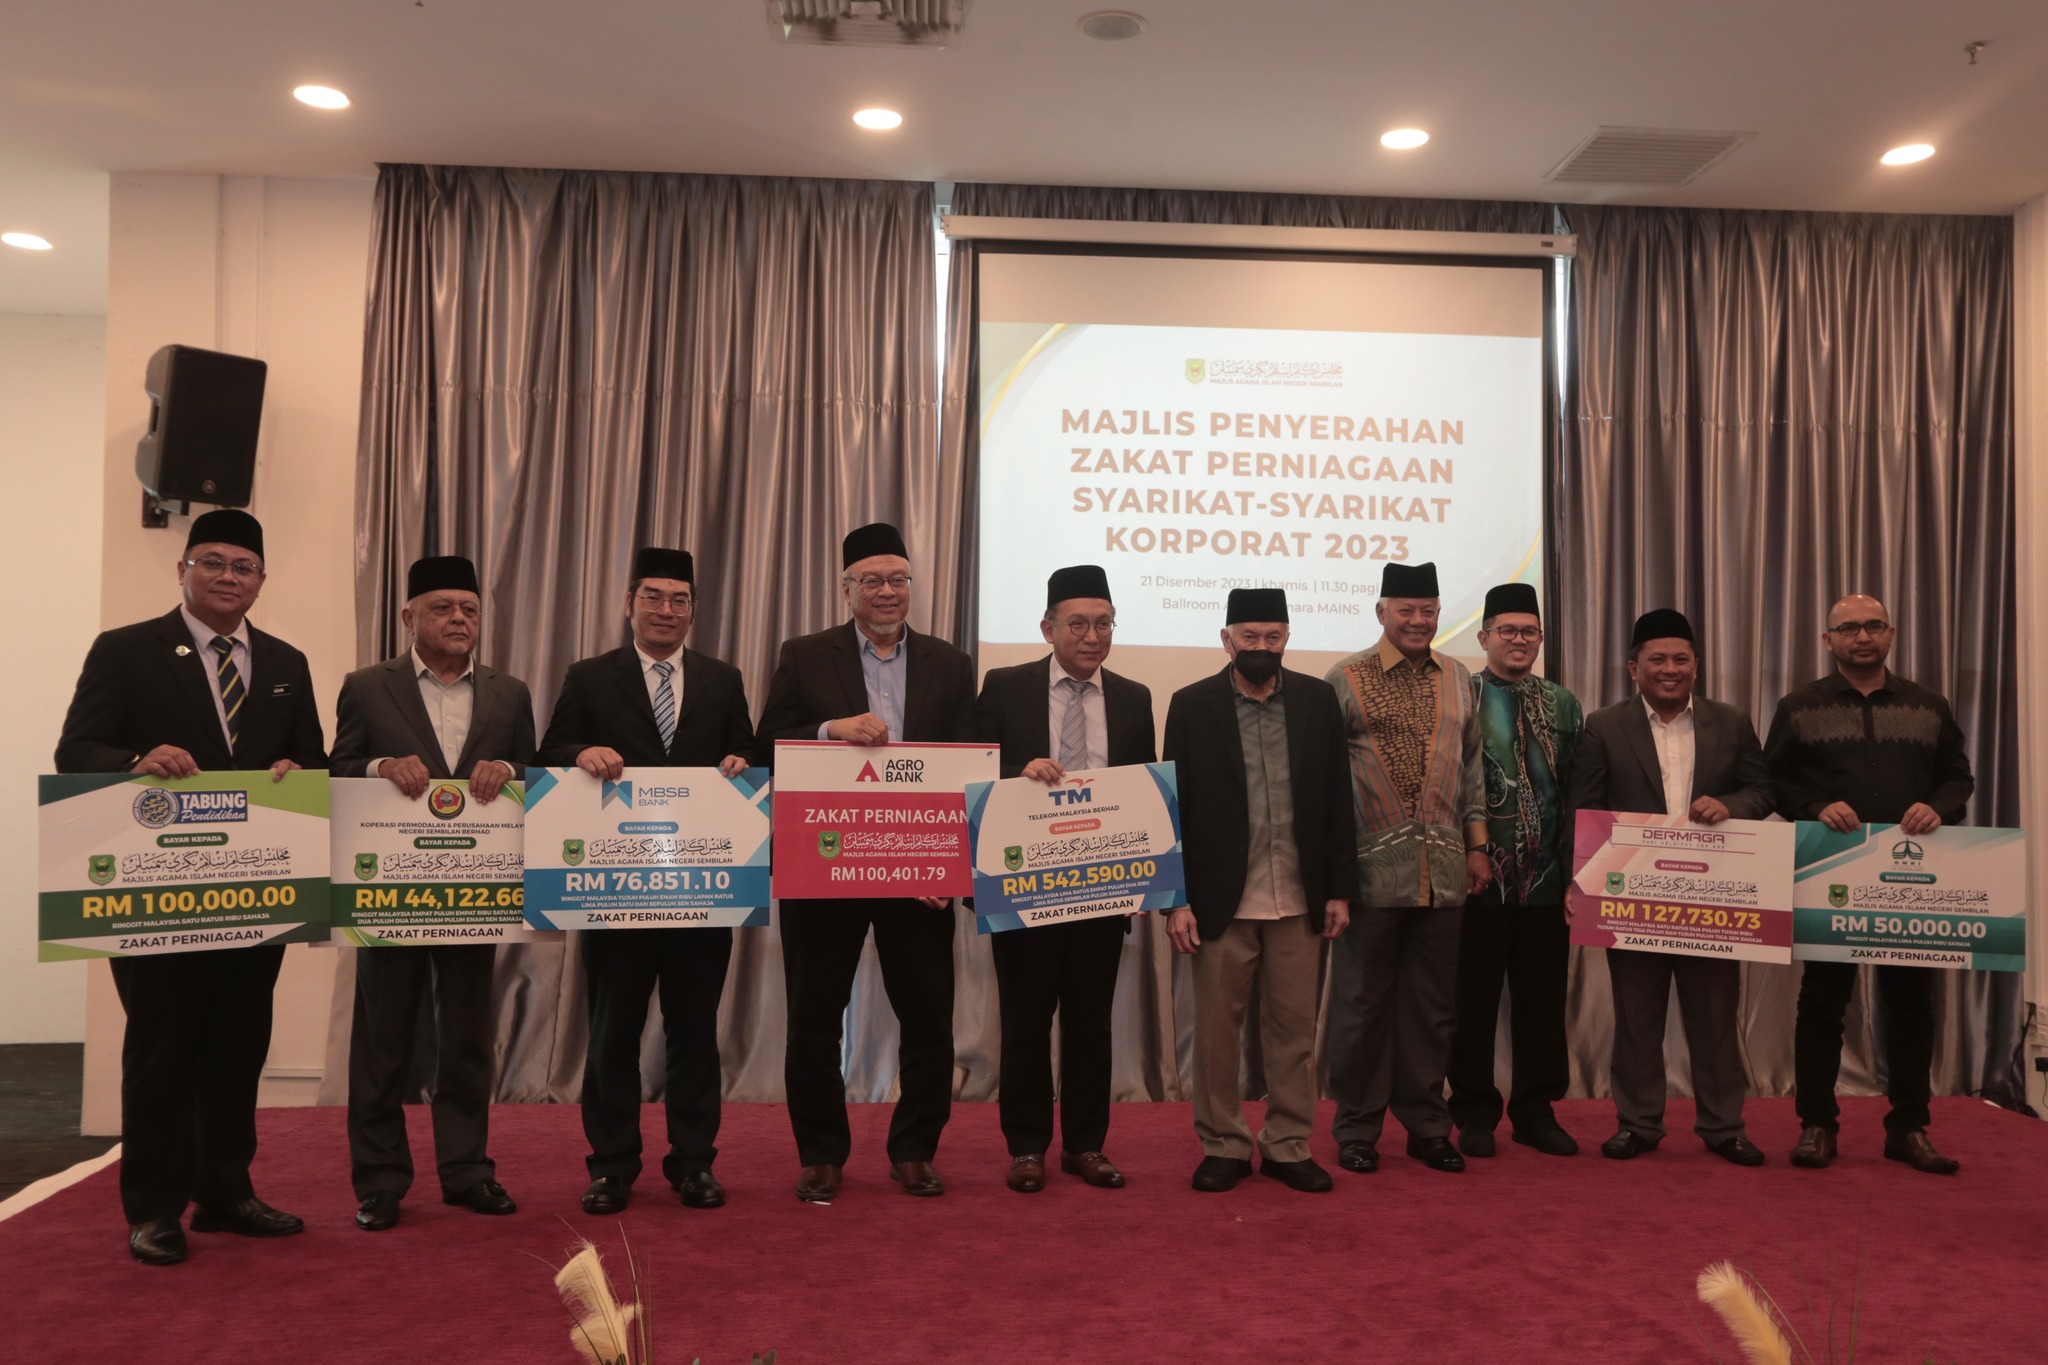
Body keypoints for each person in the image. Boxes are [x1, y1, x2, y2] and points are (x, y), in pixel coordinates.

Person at [55, 509, 326, 1266]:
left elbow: (313, 757)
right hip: (157, 894)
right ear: (183, 570)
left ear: (261, 580)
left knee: (238, 1048)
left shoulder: (285, 661)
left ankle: (225, 1192)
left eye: (243, 566)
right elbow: (77, 749)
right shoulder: (125, 650)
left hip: (255, 892)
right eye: (212, 561)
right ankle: (153, 1208)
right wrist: (134, 760)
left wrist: (298, 770)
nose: (227, 576)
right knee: (162, 1050)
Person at [756, 522, 977, 1201]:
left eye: (898, 579)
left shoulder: (950, 662)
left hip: (918, 871)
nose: (887, 591)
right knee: (815, 1017)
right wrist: (832, 730)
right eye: (873, 580)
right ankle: (822, 1153)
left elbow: (970, 767)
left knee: (929, 1017)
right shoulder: (804, 654)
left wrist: (951, 866)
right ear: (847, 589)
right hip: (825, 865)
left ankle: (915, 1150)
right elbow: (765, 745)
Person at [538, 547, 755, 1214]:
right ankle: (611, 1166)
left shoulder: (722, 679)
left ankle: (694, 1163)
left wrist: (739, 760)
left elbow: (750, 753)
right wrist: (581, 753)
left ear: (694, 609)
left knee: (695, 1032)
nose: (667, 609)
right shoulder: (589, 676)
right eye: (654, 597)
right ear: (628, 603)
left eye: (679, 599)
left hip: (701, 890)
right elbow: (548, 754)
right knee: (613, 1033)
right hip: (615, 891)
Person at [332, 555, 535, 1231]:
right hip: (389, 894)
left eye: (469, 609)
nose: (458, 619)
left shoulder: (510, 692)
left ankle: (467, 1170)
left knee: (468, 1038)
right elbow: (335, 767)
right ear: (408, 616)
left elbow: (537, 771)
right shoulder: (367, 687)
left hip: (477, 894)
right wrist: (378, 765)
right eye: (442, 607)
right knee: (383, 1041)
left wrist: (509, 767)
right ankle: (380, 1180)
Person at [1764, 594, 1973, 1175]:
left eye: (1873, 626)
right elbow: (1773, 781)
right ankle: (1816, 1125)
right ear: (1827, 639)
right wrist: (1815, 807)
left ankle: (1908, 1128)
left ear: (1891, 633)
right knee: (1822, 1003)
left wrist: (1938, 807)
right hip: (1830, 874)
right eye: (1849, 628)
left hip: (1912, 877)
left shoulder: (1928, 705)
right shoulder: (1799, 706)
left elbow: (1958, 777)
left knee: (1911, 1006)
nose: (1862, 636)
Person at [1162, 588, 1355, 1194]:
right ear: (1227, 640)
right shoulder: (1191, 705)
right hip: (1219, 902)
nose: (1261, 647)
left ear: (1287, 638)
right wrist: (1176, 899)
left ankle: (1288, 1145)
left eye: (1273, 637)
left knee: (1294, 1035)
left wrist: (1339, 890)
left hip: (1299, 897)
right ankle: (1223, 1144)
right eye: (1250, 637)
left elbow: (1337, 799)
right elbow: (1172, 810)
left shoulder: (1318, 701)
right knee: (1217, 1036)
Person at [1567, 608, 1772, 1166]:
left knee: (1715, 1016)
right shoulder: (1604, 726)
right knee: (1637, 1017)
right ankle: (1637, 1124)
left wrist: (1729, 805)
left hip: (1713, 898)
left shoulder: (1732, 722)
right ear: (1633, 668)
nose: (1670, 669)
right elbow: (1585, 809)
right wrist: (1579, 884)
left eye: (1681, 659)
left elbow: (1762, 791)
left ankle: (1724, 1126)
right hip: (1632, 897)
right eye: (1657, 659)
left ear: (1697, 665)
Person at [974, 566, 1154, 1193]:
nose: (1092, 636)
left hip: (1101, 887)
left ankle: (1085, 1145)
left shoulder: (1134, 697)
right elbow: (972, 776)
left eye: (1104, 624)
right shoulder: (1005, 687)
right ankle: (1027, 1147)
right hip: (1024, 886)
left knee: (1090, 1023)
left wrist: (1149, 876)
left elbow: (1143, 790)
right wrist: (1016, 773)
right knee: (1025, 1022)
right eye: (1078, 624)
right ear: (1048, 628)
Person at [1325, 561, 1490, 1175]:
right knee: (1362, 1005)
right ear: (1381, 612)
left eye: (1428, 611)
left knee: (1432, 1007)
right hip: (1369, 875)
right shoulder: (1345, 678)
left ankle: (1427, 1126)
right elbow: (1325, 781)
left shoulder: (1459, 677)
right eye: (1406, 611)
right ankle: (1357, 1128)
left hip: (1444, 873)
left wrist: (1477, 845)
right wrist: (1333, 872)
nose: (1418, 621)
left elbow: (1472, 766)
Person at [1446, 582, 1583, 1158]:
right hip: (1479, 881)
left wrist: (1578, 871)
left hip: (1548, 884)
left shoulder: (1564, 703)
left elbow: (1578, 790)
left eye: (1529, 631)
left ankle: (1535, 1112)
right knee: (1472, 1002)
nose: (1519, 640)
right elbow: (1452, 783)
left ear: (1541, 639)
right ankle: (1473, 1112)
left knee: (1542, 1004)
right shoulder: (1462, 696)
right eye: (1507, 630)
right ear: (1484, 638)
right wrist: (1471, 849)